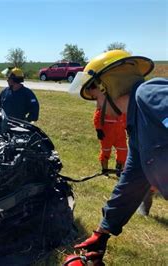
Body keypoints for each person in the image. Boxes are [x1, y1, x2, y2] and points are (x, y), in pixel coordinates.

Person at [68, 50, 168, 264]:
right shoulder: (137, 126)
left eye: (96, 98)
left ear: (107, 87)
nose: (97, 106)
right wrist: (103, 231)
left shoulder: (150, 94)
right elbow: (131, 182)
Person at [87, 87, 128, 176]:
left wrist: (127, 126)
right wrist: (98, 129)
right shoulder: (105, 102)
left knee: (123, 151)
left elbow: (125, 116)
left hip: (120, 133)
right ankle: (105, 169)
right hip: (107, 133)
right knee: (106, 151)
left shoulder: (122, 103)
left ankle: (119, 169)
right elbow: (98, 115)